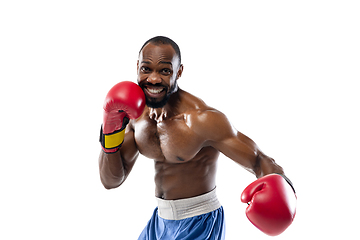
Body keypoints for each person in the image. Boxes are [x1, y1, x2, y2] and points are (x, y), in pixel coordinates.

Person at [98, 36, 297, 239]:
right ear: (137, 67)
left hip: (199, 222)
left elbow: (259, 160)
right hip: (159, 221)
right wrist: (110, 132)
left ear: (179, 71)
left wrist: (284, 191)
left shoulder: (202, 119)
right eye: (146, 69)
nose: (154, 79)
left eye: (165, 71)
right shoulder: (134, 116)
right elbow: (111, 180)